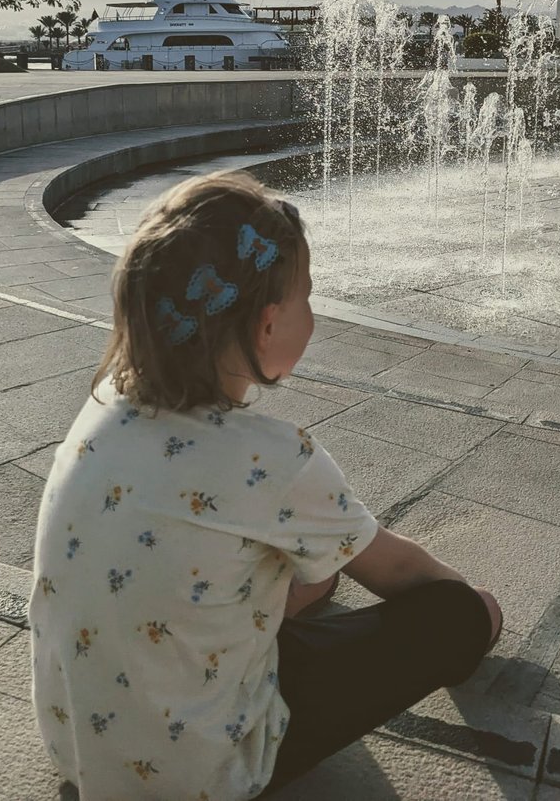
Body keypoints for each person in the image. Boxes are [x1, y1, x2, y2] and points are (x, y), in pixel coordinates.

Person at [29, 171, 502, 801]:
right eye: (309, 297)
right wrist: (470, 605)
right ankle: (476, 619)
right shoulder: (273, 458)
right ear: (268, 325)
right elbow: (401, 573)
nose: (314, 312)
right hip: (208, 775)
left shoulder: (104, 402)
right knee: (457, 612)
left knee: (314, 571)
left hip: (81, 749)